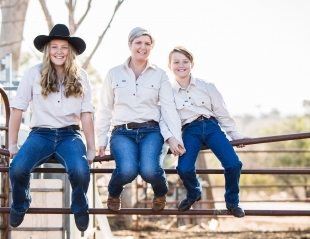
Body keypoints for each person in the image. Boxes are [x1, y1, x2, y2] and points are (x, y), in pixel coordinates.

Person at [8, 24, 95, 232]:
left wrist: (91, 147)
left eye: (64, 47)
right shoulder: (33, 74)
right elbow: (18, 109)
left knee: (81, 170)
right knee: (18, 169)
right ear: (48, 50)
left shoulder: (81, 76)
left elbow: (86, 114)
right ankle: (21, 203)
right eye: (54, 47)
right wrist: (11, 144)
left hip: (70, 135)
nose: (59, 51)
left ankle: (80, 206)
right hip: (41, 134)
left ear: (70, 51)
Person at [96, 27, 186, 213]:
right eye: (138, 42)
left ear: (151, 47)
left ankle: (160, 192)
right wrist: (101, 140)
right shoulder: (114, 73)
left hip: (151, 131)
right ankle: (113, 193)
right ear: (130, 45)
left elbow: (168, 108)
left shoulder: (160, 74)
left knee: (150, 171)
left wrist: (175, 137)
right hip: (122, 132)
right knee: (127, 170)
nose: (142, 47)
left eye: (147, 44)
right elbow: (104, 108)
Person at [168, 46, 249, 217]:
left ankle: (232, 201)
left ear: (192, 64)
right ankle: (194, 192)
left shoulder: (207, 86)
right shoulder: (167, 93)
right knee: (183, 168)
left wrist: (234, 134)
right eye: (176, 62)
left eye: (185, 61)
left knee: (234, 164)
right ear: (170, 66)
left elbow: (221, 112)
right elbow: (169, 119)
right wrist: (173, 139)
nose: (181, 65)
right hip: (189, 130)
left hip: (212, 127)